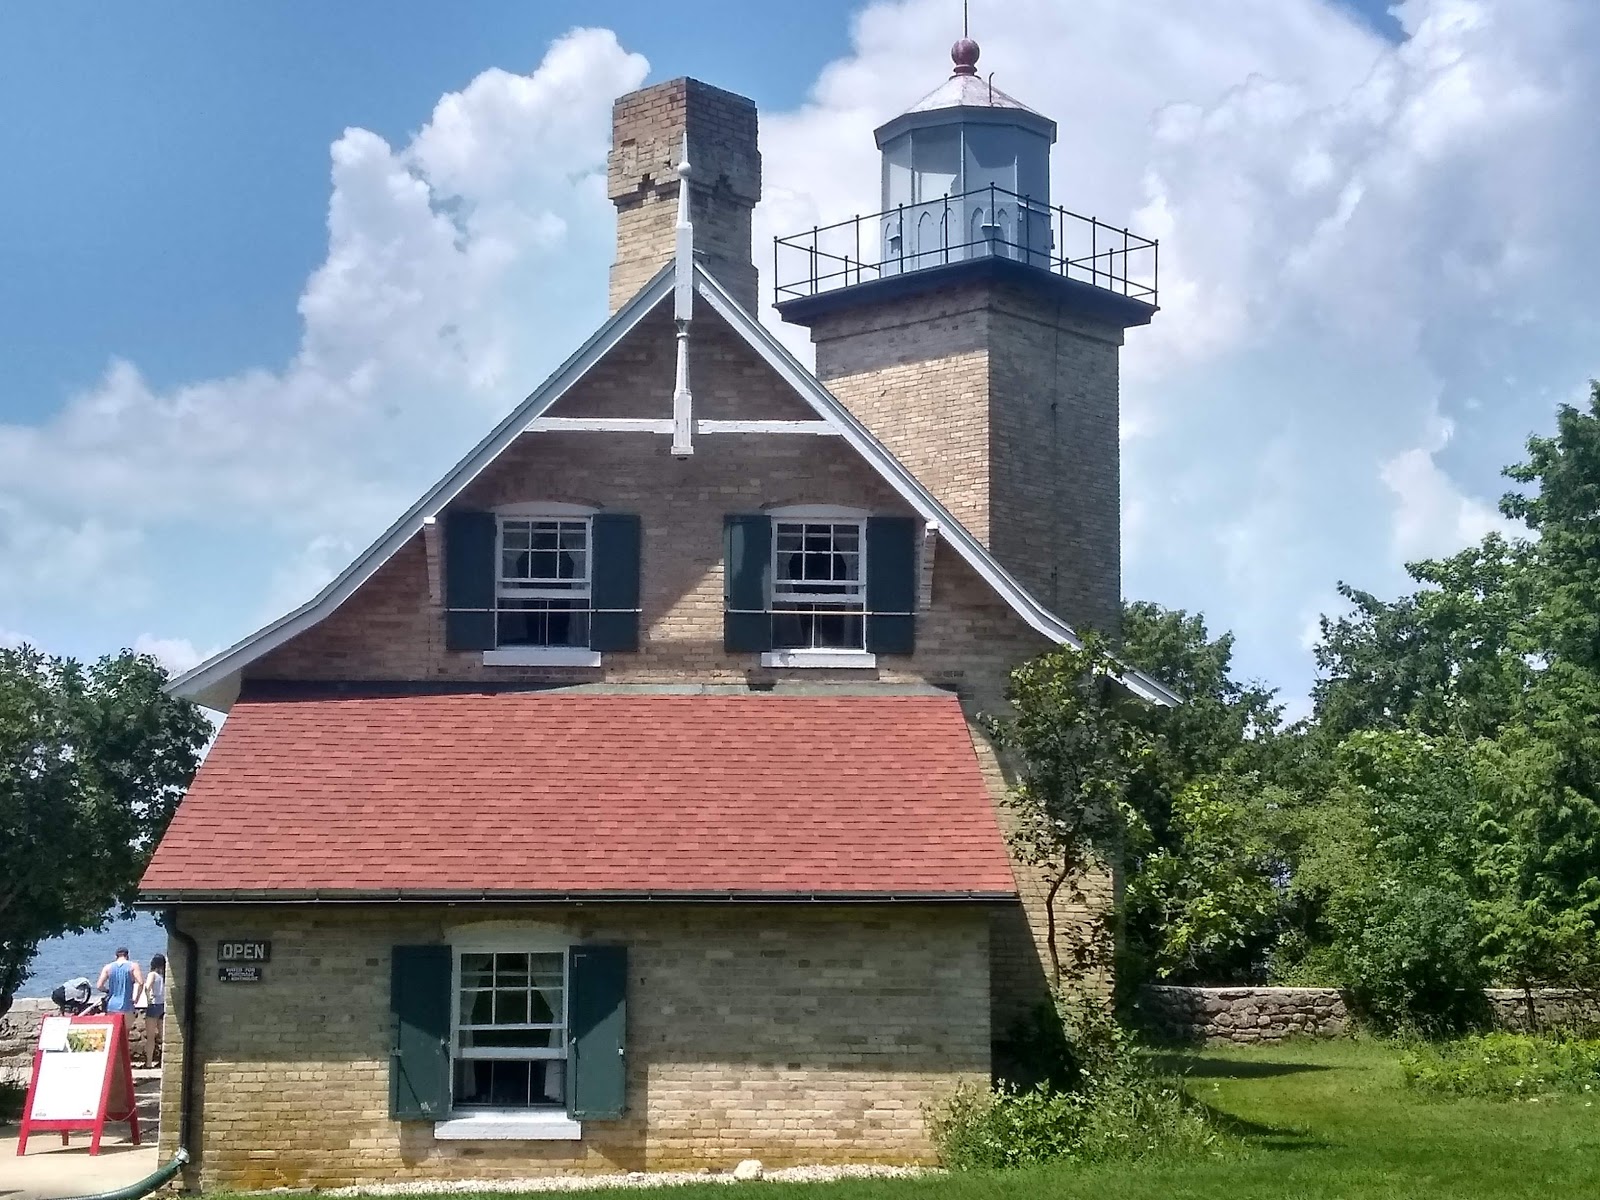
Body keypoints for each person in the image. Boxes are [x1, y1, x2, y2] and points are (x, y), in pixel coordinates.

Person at [96, 947, 143, 1018]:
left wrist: (107, 991)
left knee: (115, 1027)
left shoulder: (108, 967)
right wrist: (136, 999)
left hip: (112, 1005)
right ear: (127, 956)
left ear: (116, 956)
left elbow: (99, 986)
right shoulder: (133, 966)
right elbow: (141, 983)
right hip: (127, 1004)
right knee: (126, 1028)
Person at [139, 954, 167, 1068]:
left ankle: (149, 1063)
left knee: (150, 1037)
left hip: (154, 1004)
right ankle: (163, 1061)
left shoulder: (152, 974)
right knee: (163, 1036)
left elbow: (147, 987)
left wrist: (148, 997)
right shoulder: (164, 975)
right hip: (162, 1005)